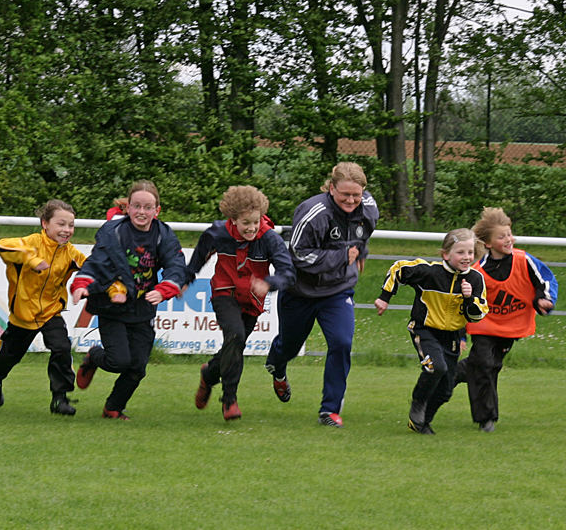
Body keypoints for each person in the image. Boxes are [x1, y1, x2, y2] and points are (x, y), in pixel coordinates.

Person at [264, 162, 379, 428]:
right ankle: (277, 364)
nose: (351, 200)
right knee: (290, 346)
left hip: (338, 291)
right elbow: (298, 254)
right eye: (344, 195)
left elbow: (363, 236)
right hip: (300, 291)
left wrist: (361, 252)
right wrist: (343, 256)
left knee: (341, 343)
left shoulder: (369, 208)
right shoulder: (313, 213)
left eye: (356, 195)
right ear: (330, 188)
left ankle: (329, 410)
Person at [70, 180, 189, 420]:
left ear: (157, 210)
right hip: (111, 306)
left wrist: (166, 288)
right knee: (118, 361)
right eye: (137, 206)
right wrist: (82, 283)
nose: (142, 212)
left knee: (137, 368)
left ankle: (113, 408)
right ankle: (94, 356)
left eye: (148, 207)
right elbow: (97, 262)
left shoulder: (163, 235)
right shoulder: (113, 232)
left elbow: (176, 265)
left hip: (142, 308)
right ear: (128, 208)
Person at [187, 185, 295, 420]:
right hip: (224, 293)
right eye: (246, 222)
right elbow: (198, 258)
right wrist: (186, 279)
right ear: (233, 219)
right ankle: (229, 401)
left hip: (253, 300)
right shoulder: (217, 233)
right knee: (234, 336)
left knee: (234, 346)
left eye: (255, 222)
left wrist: (269, 282)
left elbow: (288, 272)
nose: (252, 228)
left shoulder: (268, 238)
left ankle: (210, 373)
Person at [375, 228, 488, 434]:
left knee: (446, 391)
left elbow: (478, 314)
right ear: (446, 254)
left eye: (470, 252)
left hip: (452, 336)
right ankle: (418, 402)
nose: (466, 257)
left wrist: (469, 298)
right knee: (436, 367)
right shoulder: (429, 272)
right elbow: (398, 268)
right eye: (460, 252)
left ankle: (422, 423)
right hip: (424, 330)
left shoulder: (475, 279)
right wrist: (385, 297)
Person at [455, 208, 558, 432]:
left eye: (509, 234)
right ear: (489, 243)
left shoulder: (524, 260)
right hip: (484, 325)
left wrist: (544, 299)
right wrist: (460, 335)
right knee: (484, 363)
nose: (508, 240)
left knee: (488, 367)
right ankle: (486, 418)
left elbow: (547, 280)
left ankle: (450, 374)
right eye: (501, 237)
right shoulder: (477, 271)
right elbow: (462, 305)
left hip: (510, 328)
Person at [0, 200, 87, 415]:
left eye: (71, 225)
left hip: (51, 312)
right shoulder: (30, 243)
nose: (67, 230)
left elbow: (92, 267)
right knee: (10, 356)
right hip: (23, 315)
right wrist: (31, 259)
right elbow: (3, 246)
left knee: (62, 348)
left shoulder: (70, 253)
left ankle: (60, 399)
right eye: (61, 224)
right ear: (45, 224)